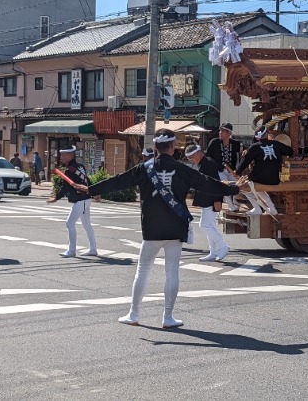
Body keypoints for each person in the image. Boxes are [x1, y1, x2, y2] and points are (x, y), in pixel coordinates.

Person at [75, 128, 241, 328]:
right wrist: (234, 188)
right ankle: (168, 317)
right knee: (172, 271)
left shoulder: (144, 168)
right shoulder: (183, 169)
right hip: (175, 227)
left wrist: (91, 189)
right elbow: (207, 184)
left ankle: (133, 314)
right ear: (172, 147)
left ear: (155, 147)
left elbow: (119, 181)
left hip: (152, 228)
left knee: (143, 270)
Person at [47, 146, 97, 258]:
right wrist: (95, 191)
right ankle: (93, 249)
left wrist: (55, 198)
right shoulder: (79, 167)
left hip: (81, 199)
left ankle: (72, 250)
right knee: (86, 224)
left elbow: (65, 188)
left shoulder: (70, 170)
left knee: (69, 223)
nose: (61, 157)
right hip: (85, 198)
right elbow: (87, 180)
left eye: (63, 155)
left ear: (70, 155)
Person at [234, 126, 294, 215]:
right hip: (274, 179)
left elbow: (244, 163)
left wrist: (236, 172)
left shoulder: (254, 147)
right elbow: (290, 151)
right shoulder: (276, 144)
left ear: (257, 137)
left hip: (259, 178)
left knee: (243, 186)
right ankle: (272, 208)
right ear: (266, 134)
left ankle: (257, 208)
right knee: (257, 187)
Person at [185, 144, 230, 262]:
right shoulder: (203, 163)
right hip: (208, 198)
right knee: (210, 226)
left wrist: (217, 200)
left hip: (211, 199)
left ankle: (222, 246)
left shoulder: (208, 163)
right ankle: (213, 252)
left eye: (191, 157)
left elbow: (215, 183)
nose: (191, 160)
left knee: (204, 226)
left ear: (197, 153)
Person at [205, 122, 242, 211]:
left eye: (223, 131)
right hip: (219, 170)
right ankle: (231, 206)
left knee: (240, 184)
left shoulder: (235, 144)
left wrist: (245, 151)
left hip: (231, 171)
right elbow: (208, 156)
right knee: (224, 185)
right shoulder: (215, 142)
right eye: (220, 130)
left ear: (229, 133)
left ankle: (235, 200)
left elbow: (242, 151)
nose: (220, 132)